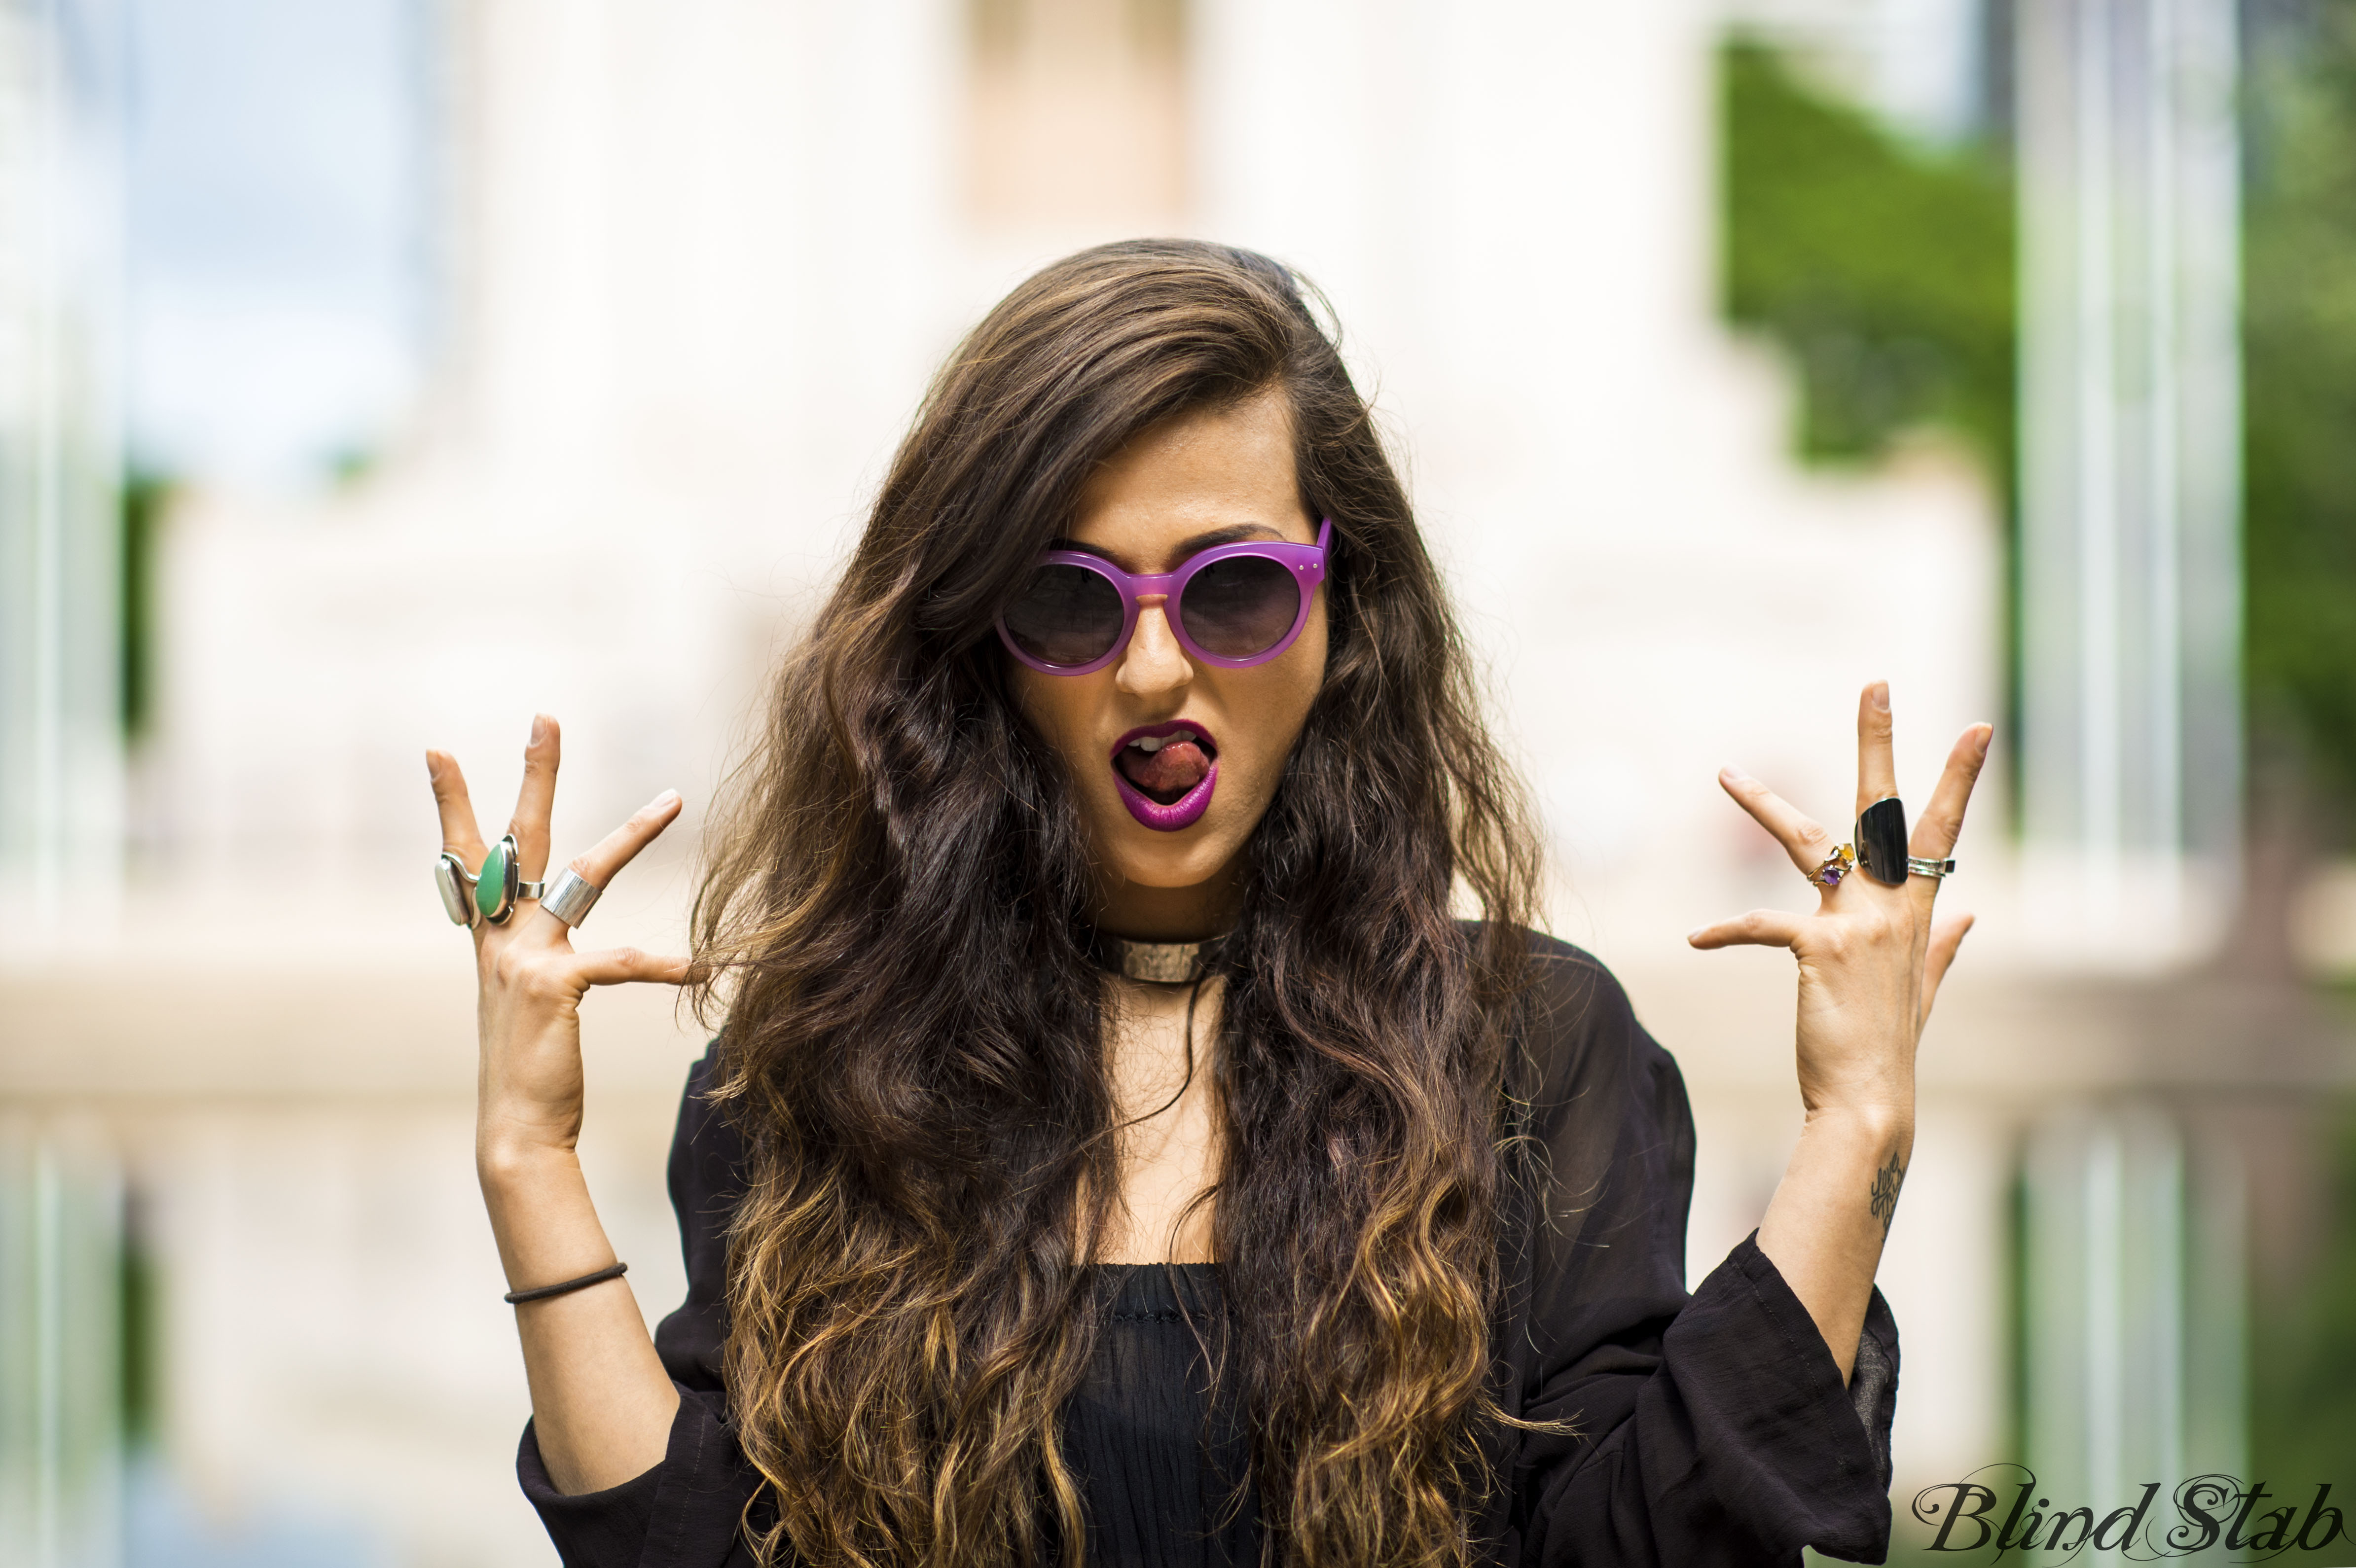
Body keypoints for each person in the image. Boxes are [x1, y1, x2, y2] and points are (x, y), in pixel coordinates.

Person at [426, 240, 1989, 1568]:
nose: (1156, 668)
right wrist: (527, 1159)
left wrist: (1856, 1125)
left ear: (1340, 611)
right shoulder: (826, 1055)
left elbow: (1638, 1541)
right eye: (1069, 598)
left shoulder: (1530, 1040)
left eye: (1234, 589)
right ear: (977, 644)